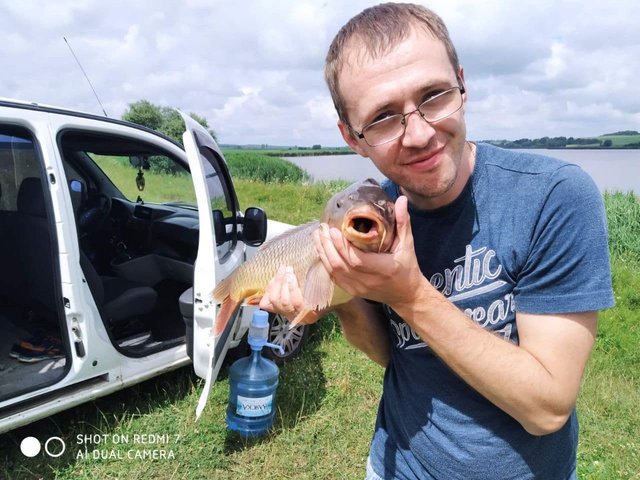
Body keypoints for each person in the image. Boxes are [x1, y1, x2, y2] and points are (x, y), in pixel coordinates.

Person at [259, 3, 614, 479]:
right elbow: (390, 355)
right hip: (396, 465)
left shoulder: (552, 197)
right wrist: (341, 294)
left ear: (462, 85)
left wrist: (409, 294)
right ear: (352, 138)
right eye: (383, 118)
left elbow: (546, 408)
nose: (420, 133)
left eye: (434, 95)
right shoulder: (373, 214)